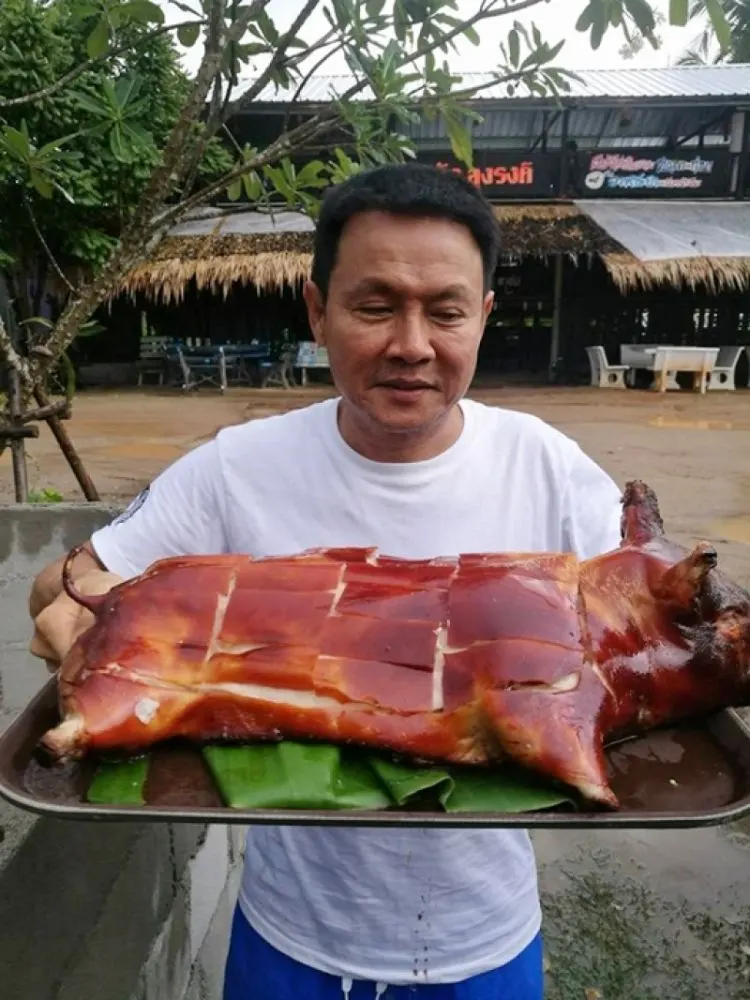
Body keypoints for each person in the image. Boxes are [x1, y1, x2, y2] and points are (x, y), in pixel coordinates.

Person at [29, 162, 623, 1000]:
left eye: (446, 311)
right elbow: (71, 584)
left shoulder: (549, 467)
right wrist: (69, 613)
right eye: (375, 307)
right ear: (317, 310)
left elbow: (639, 621)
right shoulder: (238, 467)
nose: (411, 344)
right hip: (287, 939)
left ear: (484, 317)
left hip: (486, 941)